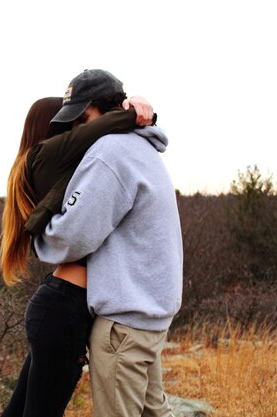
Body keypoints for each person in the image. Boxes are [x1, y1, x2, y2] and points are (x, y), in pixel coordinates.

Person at [34, 69, 183, 417]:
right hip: (148, 316)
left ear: (104, 110)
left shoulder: (110, 152)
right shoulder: (142, 146)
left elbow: (74, 236)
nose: (76, 130)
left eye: (82, 119)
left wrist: (42, 236)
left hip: (123, 325)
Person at [0, 93, 157, 417]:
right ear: (53, 127)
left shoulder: (44, 162)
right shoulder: (46, 155)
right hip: (64, 309)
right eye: (72, 122)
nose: (78, 127)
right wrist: (137, 114)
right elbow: (96, 131)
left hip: (58, 305)